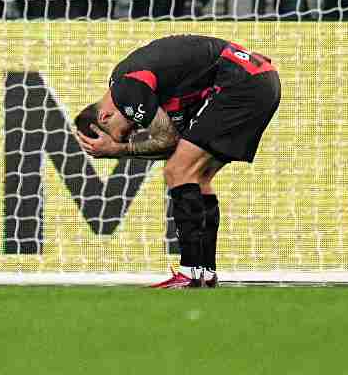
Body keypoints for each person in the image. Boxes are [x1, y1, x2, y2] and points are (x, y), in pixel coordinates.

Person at [74, 35, 282, 288]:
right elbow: (173, 146)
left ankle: (190, 273)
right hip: (258, 79)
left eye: (124, 133)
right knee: (196, 176)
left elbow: (167, 140)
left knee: (177, 171)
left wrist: (119, 149)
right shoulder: (144, 90)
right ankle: (205, 272)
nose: (133, 131)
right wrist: (122, 148)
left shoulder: (126, 90)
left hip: (241, 83)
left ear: (105, 117)